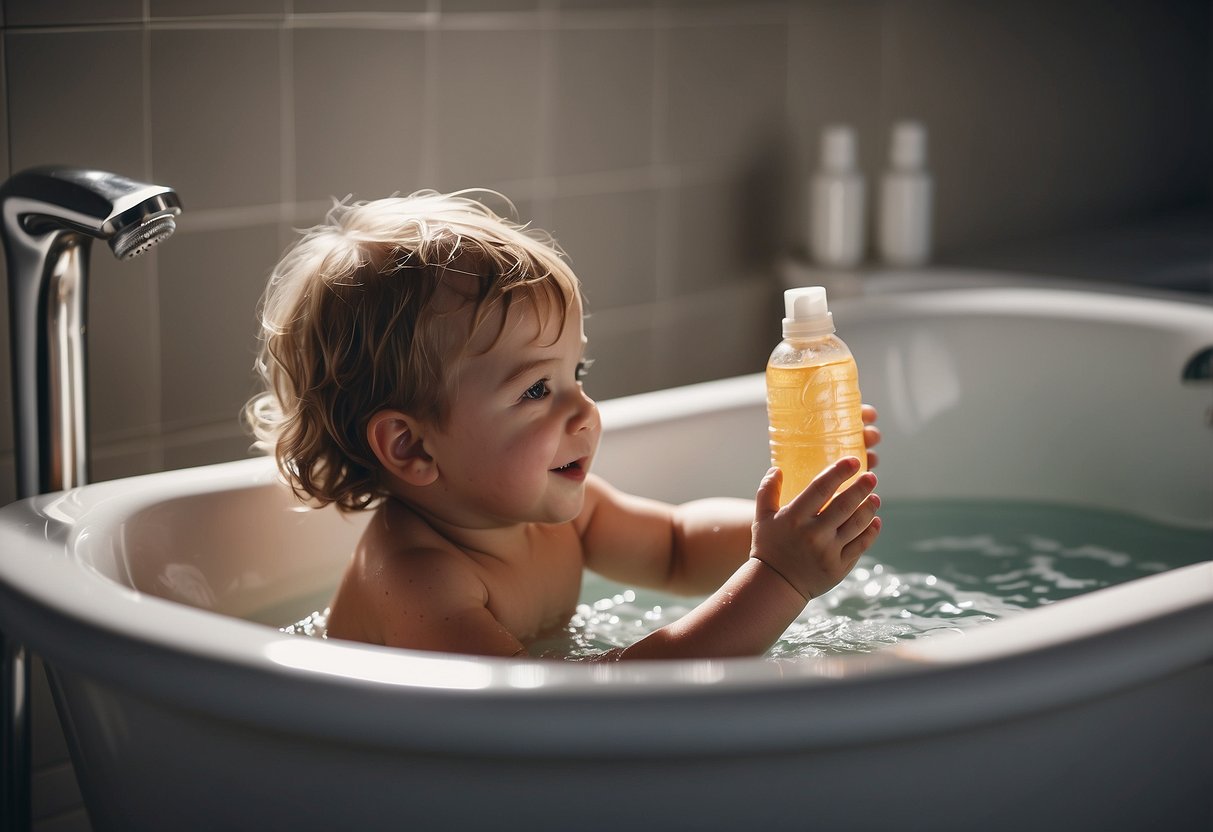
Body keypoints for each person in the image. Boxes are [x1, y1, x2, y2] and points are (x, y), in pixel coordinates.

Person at [247, 189, 881, 660]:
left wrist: (800, 523)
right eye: (536, 389)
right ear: (412, 445)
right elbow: (585, 716)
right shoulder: (420, 579)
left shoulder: (557, 514)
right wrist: (781, 577)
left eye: (577, 372)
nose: (583, 411)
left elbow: (677, 549)